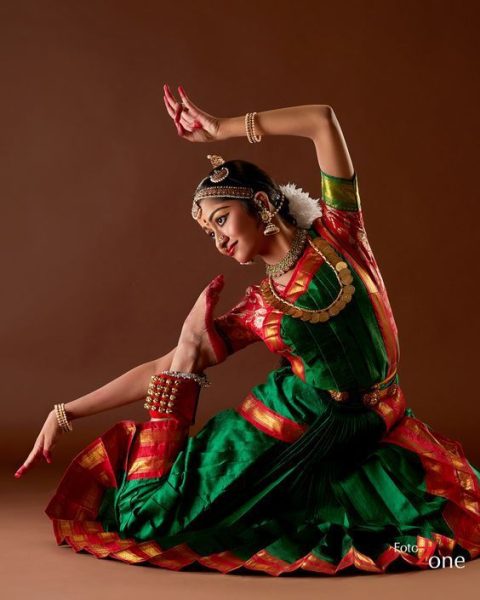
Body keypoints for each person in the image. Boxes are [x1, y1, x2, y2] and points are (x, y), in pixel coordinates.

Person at [14, 84, 480, 576]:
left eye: (222, 220)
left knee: (450, 516)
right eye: (209, 232)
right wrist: (66, 411)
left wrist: (221, 128)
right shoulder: (259, 306)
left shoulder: (341, 235)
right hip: (288, 421)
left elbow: (322, 120)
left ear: (260, 202)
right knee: (146, 520)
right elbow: (163, 366)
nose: (218, 240)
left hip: (375, 418)